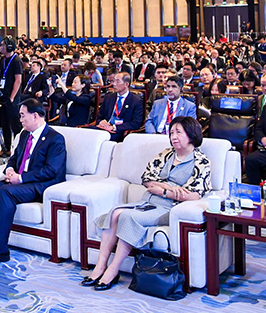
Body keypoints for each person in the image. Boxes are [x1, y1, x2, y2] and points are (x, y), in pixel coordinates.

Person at [82, 116, 211, 290]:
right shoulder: (166, 154)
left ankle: (112, 270)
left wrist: (162, 190)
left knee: (128, 217)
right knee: (114, 212)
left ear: (191, 134)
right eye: (172, 132)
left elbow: (194, 194)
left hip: (169, 208)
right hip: (148, 201)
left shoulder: (201, 162)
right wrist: (169, 187)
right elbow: (147, 179)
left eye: (178, 132)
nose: (173, 136)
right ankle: (100, 266)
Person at [0, 98, 66, 265]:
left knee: (5, 192)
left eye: (22, 115)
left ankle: (1, 249)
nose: (20, 120)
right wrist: (10, 169)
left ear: (35, 116)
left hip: (40, 185)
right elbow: (14, 158)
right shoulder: (25, 135)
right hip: (21, 182)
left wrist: (20, 178)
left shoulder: (55, 139)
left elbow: (51, 171)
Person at [95, 72, 144, 141]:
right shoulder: (109, 97)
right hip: (103, 129)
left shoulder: (136, 101)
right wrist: (101, 122)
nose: (114, 84)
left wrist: (114, 127)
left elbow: (135, 123)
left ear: (126, 84)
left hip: (119, 131)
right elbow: (99, 117)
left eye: (117, 81)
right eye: (114, 81)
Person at [0, 37, 25, 154]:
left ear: (9, 47)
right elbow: (1, 75)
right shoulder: (3, 60)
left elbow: (18, 80)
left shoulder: (16, 61)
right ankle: (7, 148)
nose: (1, 47)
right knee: (4, 123)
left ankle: (18, 148)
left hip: (12, 96)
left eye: (3, 45)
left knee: (15, 124)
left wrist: (12, 97)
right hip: (3, 94)